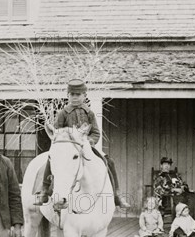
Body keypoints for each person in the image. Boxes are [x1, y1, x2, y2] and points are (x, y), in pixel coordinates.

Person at [33, 79, 130, 208]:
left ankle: (117, 194)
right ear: (67, 96)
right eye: (71, 94)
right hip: (68, 148)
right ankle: (44, 190)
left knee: (109, 161)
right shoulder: (63, 113)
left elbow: (95, 133)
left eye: (78, 95)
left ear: (84, 96)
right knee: (50, 161)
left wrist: (89, 141)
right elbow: (57, 132)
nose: (74, 98)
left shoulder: (89, 113)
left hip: (85, 146)